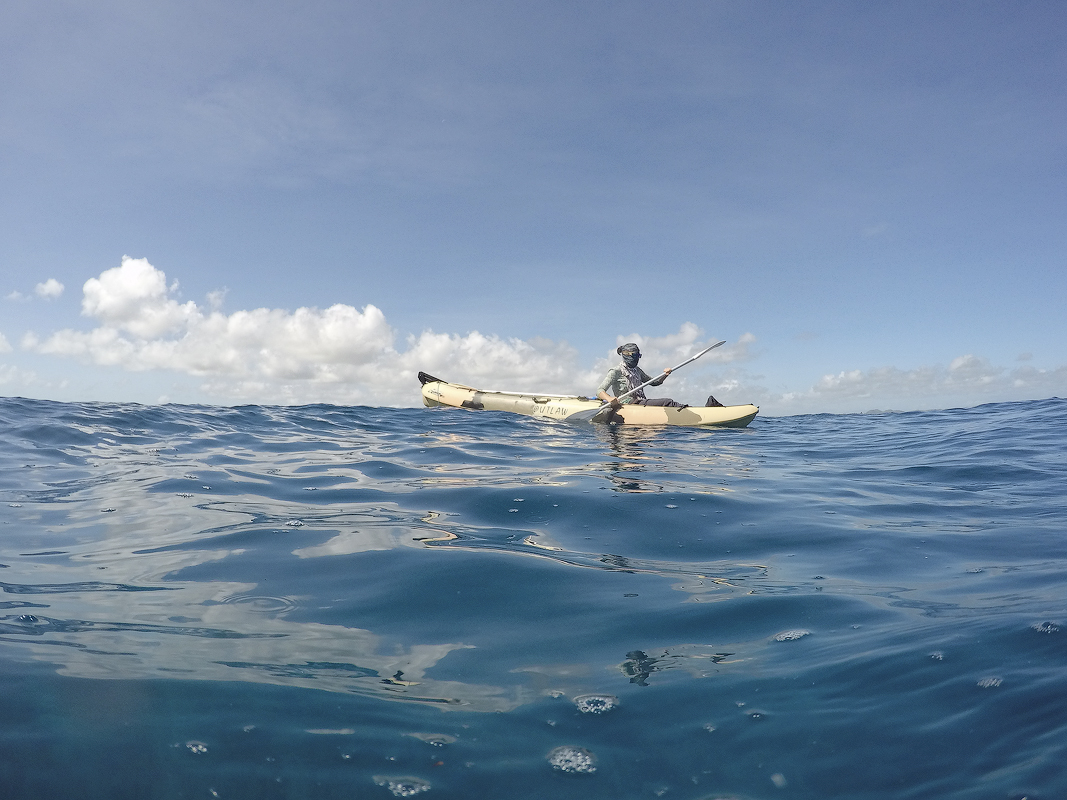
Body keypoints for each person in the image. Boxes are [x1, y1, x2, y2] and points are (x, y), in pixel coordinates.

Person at [596, 343, 687, 409]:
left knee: (667, 403)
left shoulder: (637, 371)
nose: (637, 359)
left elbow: (655, 382)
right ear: (627, 356)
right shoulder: (616, 371)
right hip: (628, 404)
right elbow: (600, 391)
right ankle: (686, 411)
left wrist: (666, 374)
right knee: (667, 402)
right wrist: (609, 398)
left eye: (638, 356)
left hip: (639, 402)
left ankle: (687, 409)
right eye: (635, 356)